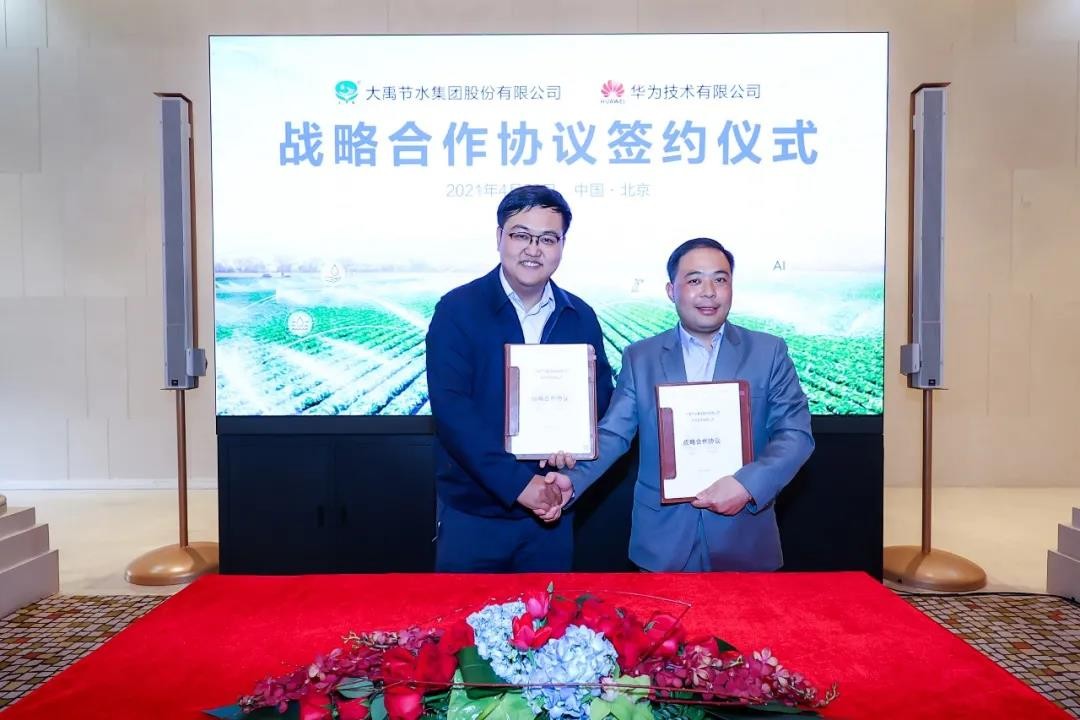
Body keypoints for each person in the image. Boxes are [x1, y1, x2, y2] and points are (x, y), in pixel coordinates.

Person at [551, 238, 813, 571]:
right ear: (671, 291)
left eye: (720, 279)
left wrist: (747, 485)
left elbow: (795, 436)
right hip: (663, 542)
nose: (709, 292)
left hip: (745, 538)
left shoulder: (768, 352)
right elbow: (615, 433)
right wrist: (573, 478)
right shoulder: (641, 357)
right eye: (694, 280)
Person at [425, 185, 614, 572]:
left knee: (548, 612)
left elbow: (600, 400)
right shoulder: (458, 310)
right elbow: (453, 413)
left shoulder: (580, 316)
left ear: (562, 245)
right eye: (521, 235)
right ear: (499, 237)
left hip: (552, 512)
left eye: (548, 239)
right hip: (473, 515)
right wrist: (519, 485)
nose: (533, 249)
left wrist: (574, 449)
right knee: (464, 613)